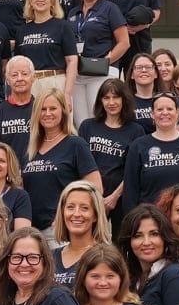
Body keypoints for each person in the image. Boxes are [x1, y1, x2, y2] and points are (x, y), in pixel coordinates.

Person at [124, 92, 179, 211]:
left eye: (170, 109)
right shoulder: (138, 145)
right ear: (152, 114)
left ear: (177, 113)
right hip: (152, 217)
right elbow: (130, 190)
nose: (165, 112)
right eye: (159, 109)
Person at [22, 91, 98, 224]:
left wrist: (72, 215)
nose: (47, 113)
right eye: (43, 109)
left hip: (61, 227)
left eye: (53, 108)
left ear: (63, 111)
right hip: (32, 228)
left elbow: (95, 187)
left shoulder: (76, 144)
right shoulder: (30, 150)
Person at [69, 0, 130, 116]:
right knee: (80, 122)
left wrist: (106, 61)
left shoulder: (110, 9)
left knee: (98, 117)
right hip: (78, 74)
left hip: (102, 73)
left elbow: (124, 43)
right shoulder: (73, 13)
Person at [78, 78, 137, 220]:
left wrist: (114, 197)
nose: (111, 102)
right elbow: (79, 164)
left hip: (120, 199)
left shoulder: (135, 130)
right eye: (106, 98)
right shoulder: (87, 126)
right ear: (100, 101)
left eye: (116, 97)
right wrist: (92, 197)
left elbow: (133, 170)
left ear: (124, 99)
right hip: (89, 197)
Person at [12, 0, 78, 98]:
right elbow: (18, 64)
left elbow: (72, 61)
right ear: (30, 1)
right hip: (29, 85)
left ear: (52, 1)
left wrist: (67, 93)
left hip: (55, 83)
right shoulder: (22, 30)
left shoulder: (63, 26)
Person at [50, 182, 110, 290]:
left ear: (95, 215)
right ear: (62, 212)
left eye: (84, 208)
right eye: (70, 207)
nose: (76, 214)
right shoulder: (50, 257)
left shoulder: (106, 256)